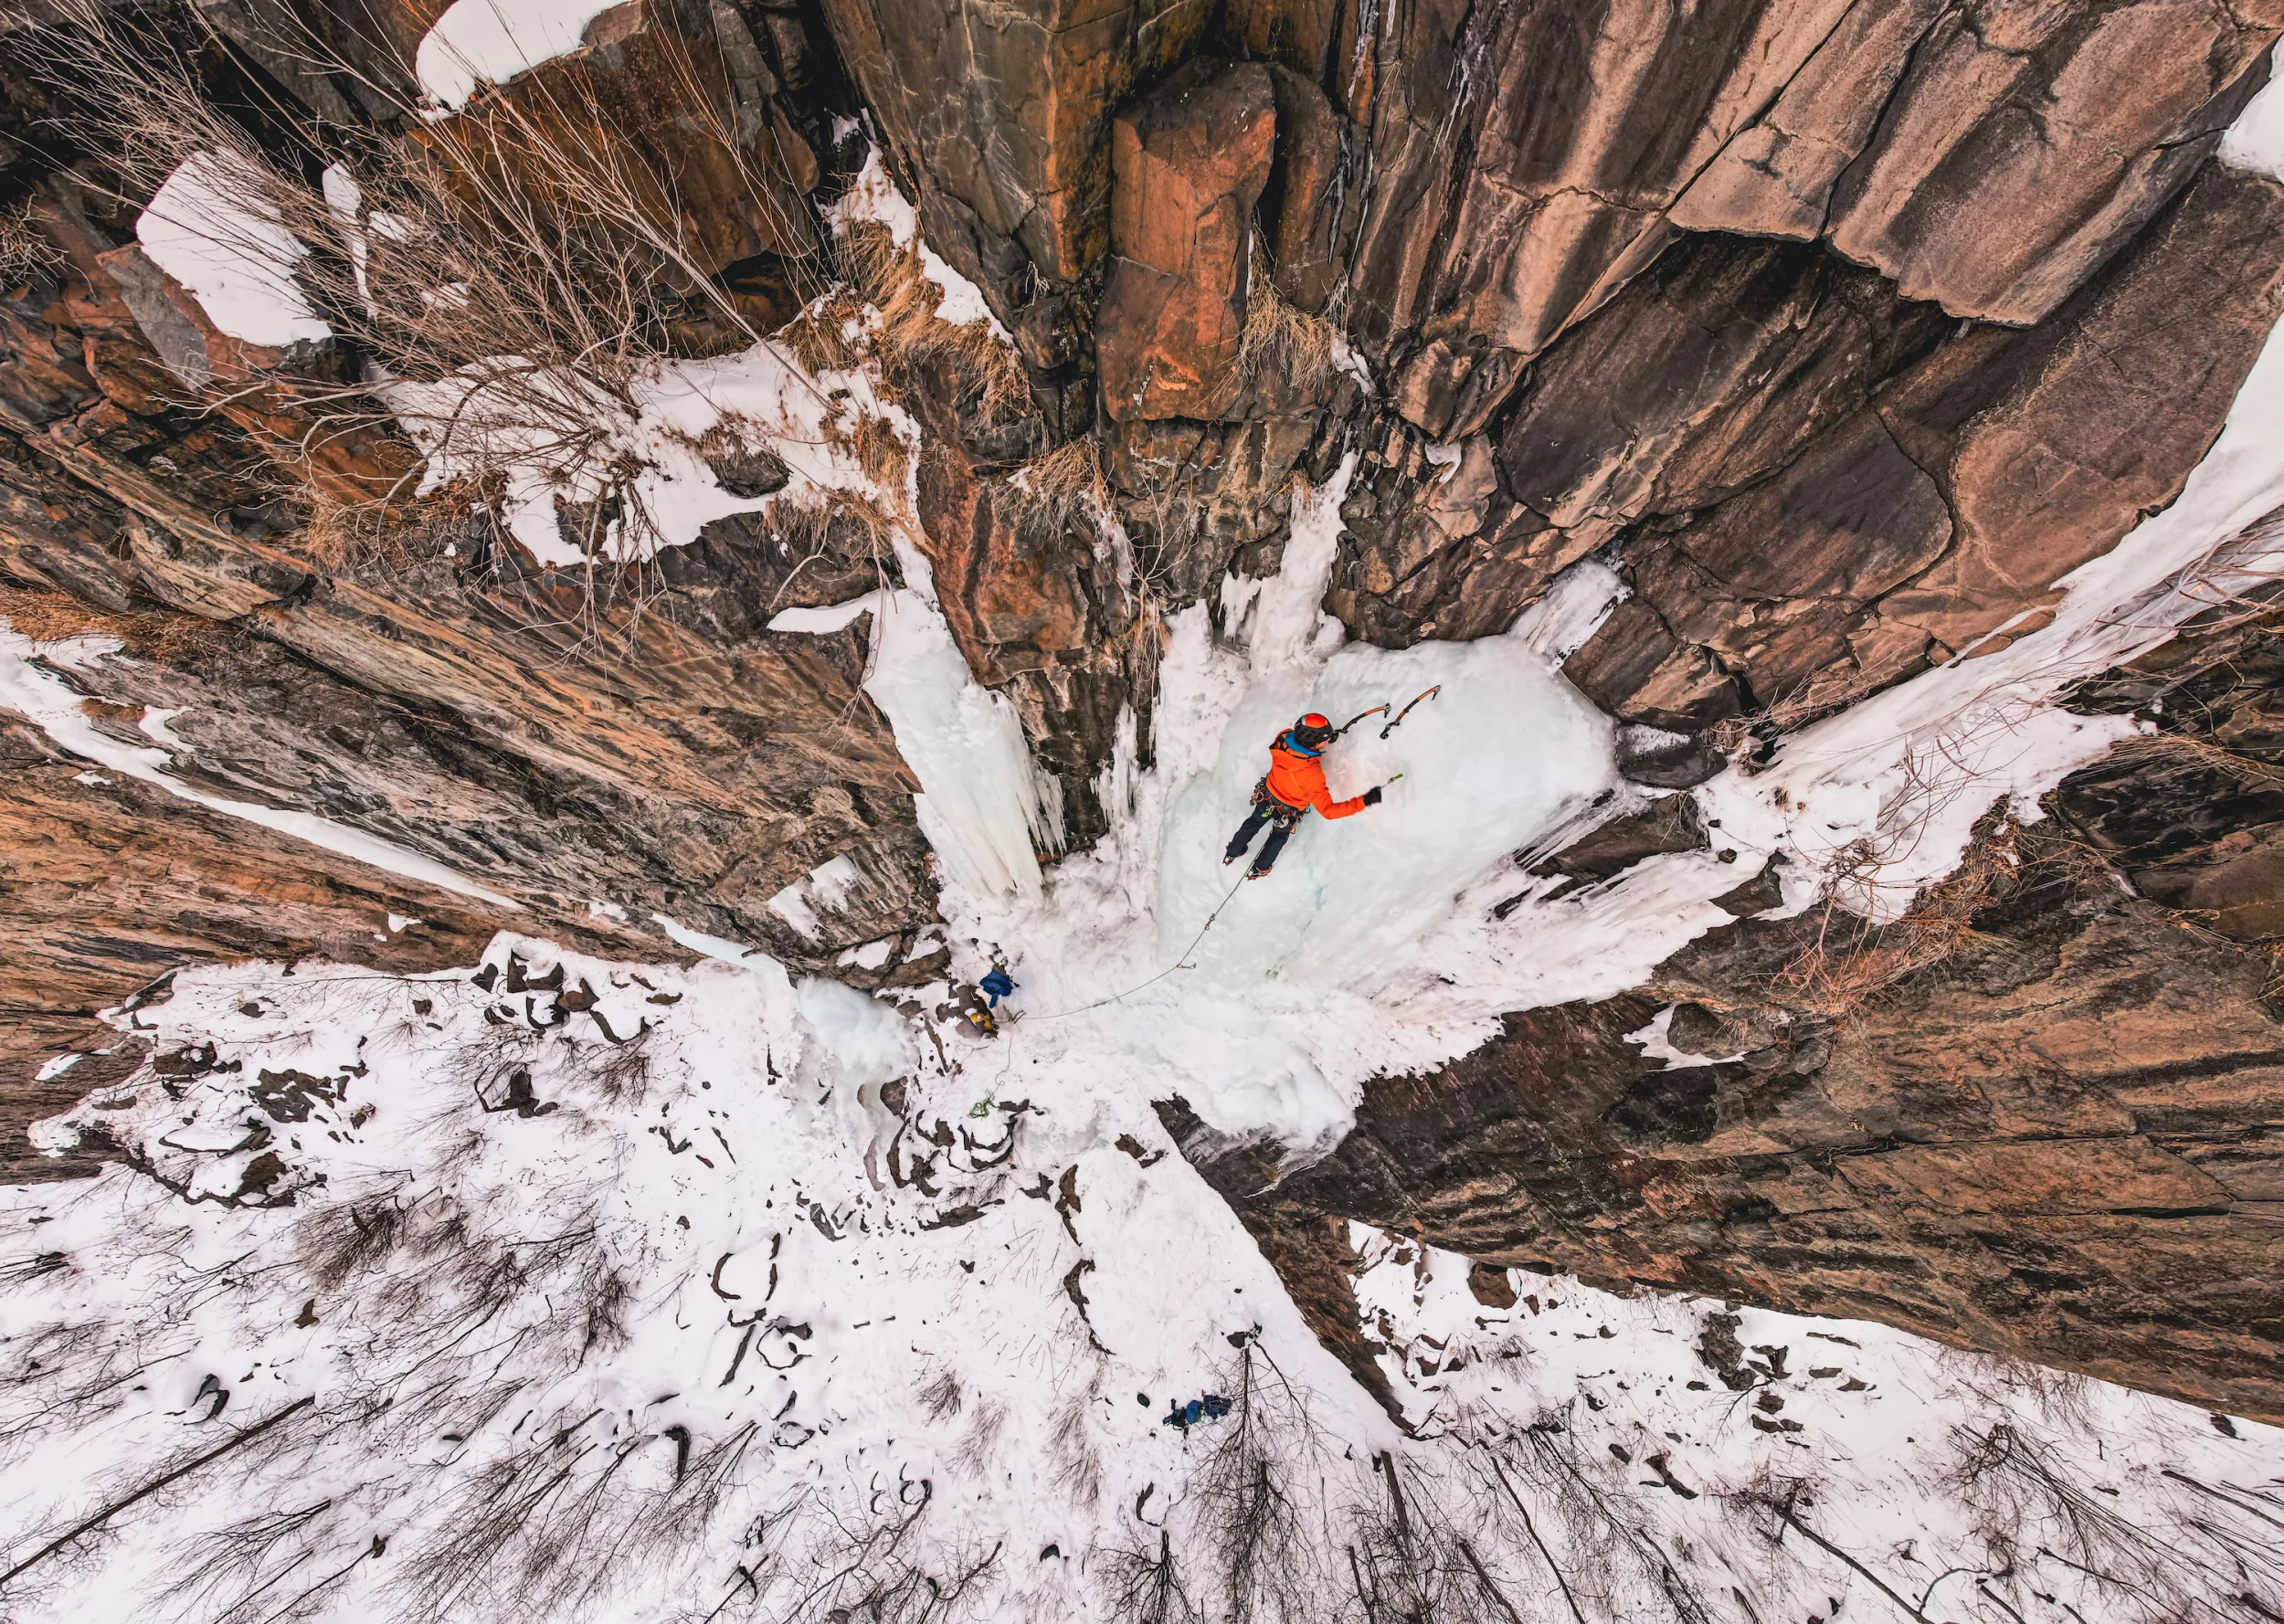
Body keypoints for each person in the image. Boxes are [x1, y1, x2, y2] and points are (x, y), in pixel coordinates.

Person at [1222, 712, 1385, 879]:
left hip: (1267, 797)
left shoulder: (1283, 738)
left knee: (1253, 823)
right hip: (1287, 811)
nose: (1328, 741)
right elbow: (1328, 811)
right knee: (1278, 836)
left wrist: (1321, 741)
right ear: (1313, 743)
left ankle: (1233, 851)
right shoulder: (1311, 774)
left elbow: (1300, 742)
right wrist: (1364, 801)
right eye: (1325, 739)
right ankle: (1260, 868)